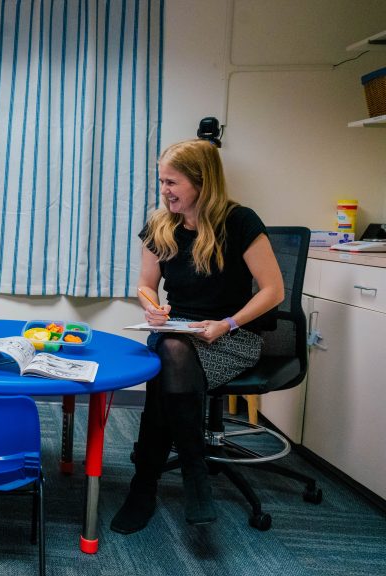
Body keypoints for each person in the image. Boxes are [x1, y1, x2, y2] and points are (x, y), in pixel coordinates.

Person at [110, 139, 284, 534]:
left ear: (202, 182)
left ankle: (145, 486)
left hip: (231, 335)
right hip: (177, 331)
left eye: (172, 182)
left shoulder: (240, 222)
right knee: (172, 349)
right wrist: (152, 307)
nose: (165, 191)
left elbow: (274, 290)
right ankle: (194, 474)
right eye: (161, 182)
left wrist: (227, 324)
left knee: (165, 375)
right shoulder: (161, 224)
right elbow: (145, 284)